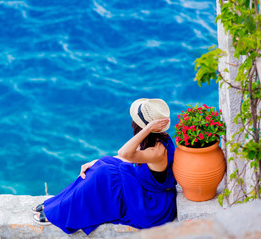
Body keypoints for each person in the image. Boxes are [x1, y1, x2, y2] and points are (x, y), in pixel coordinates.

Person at [31, 98, 177, 235]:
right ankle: (59, 203)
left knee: (104, 174)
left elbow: (124, 153)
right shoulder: (155, 140)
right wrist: (95, 161)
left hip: (151, 205)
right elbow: (125, 156)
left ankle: (59, 213)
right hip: (145, 188)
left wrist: (147, 128)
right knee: (103, 164)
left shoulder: (156, 152)